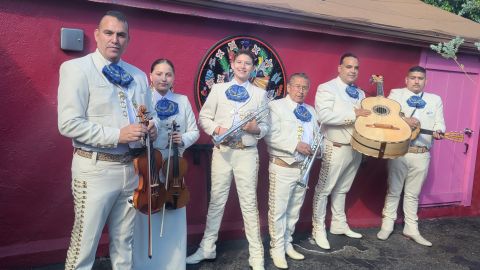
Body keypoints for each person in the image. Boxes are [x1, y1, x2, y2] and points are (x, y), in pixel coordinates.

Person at [57, 11, 157, 270]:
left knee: (125, 242)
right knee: (84, 246)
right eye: (109, 33)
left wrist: (151, 129)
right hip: (94, 169)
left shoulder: (137, 76)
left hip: (131, 169)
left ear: (128, 40)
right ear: (97, 35)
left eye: (121, 34)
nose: (115, 39)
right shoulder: (76, 68)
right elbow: (68, 123)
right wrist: (117, 135)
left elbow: (146, 115)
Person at [186, 49, 269, 270]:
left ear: (253, 68)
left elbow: (267, 126)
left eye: (248, 63)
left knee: (249, 204)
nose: (243, 66)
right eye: (239, 62)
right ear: (232, 65)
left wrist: (256, 128)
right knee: (216, 202)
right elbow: (204, 117)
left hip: (246, 153)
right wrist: (217, 129)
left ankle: (257, 254)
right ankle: (207, 248)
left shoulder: (260, 94)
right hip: (222, 151)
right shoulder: (218, 89)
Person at [132, 59, 199, 269]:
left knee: (174, 213)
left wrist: (184, 139)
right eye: (159, 74)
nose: (163, 78)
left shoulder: (183, 100)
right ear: (150, 76)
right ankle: (145, 264)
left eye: (168, 74)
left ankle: (173, 264)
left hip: (173, 165)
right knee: (147, 213)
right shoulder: (142, 99)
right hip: (149, 162)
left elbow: (194, 131)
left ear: (174, 78)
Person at [377, 66, 445, 246]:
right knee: (394, 190)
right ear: (406, 80)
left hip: (422, 153)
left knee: (413, 194)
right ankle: (387, 225)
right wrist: (404, 119)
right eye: (413, 77)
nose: (416, 81)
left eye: (420, 78)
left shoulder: (434, 99)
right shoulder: (396, 94)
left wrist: (439, 131)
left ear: (426, 81)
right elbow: (386, 115)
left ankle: (411, 228)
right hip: (400, 151)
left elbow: (440, 123)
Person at [312, 53, 371, 250]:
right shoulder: (327, 88)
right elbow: (324, 116)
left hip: (356, 148)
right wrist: (354, 114)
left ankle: (338, 224)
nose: (352, 70)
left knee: (343, 189)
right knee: (324, 189)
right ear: (339, 68)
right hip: (335, 146)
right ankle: (318, 229)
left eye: (356, 67)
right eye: (348, 66)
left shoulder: (360, 93)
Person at [264, 73, 319, 269]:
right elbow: (269, 136)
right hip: (282, 166)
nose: (301, 90)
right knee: (278, 212)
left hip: (303, 169)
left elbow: (316, 136)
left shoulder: (311, 111)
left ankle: (287, 243)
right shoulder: (276, 107)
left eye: (305, 87)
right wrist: (295, 145)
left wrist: (316, 147)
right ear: (288, 87)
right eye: (297, 86)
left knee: (294, 211)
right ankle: (276, 248)